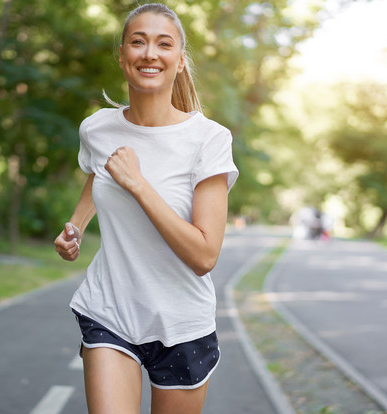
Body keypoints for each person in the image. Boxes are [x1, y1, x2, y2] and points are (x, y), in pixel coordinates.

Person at [53, 3, 238, 413]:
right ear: (122, 56)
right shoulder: (97, 128)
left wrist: (138, 184)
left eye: (163, 44)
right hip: (110, 310)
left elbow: (204, 255)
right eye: (138, 42)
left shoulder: (208, 140)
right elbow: (98, 174)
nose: (149, 53)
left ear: (179, 60)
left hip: (182, 323)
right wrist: (77, 226)